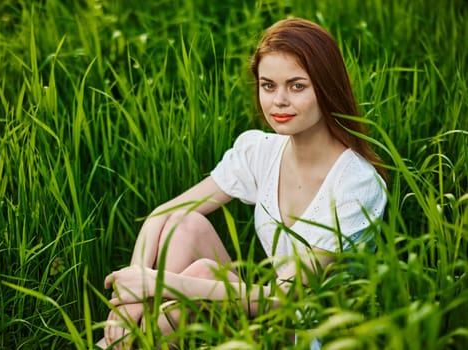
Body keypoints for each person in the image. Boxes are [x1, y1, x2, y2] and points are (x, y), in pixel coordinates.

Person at [96, 17, 388, 349]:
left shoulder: (357, 185)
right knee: (185, 224)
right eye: (268, 85)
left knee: (204, 275)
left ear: (325, 86)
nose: (279, 101)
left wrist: (163, 284)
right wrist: (134, 290)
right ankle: (137, 334)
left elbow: (287, 298)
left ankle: (122, 343)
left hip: (310, 333)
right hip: (264, 316)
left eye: (296, 86)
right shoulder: (260, 151)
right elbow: (164, 213)